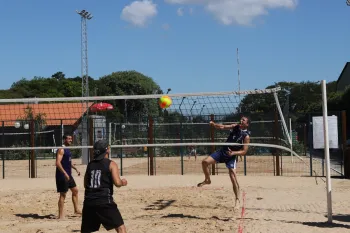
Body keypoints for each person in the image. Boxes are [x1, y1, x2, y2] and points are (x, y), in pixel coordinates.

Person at [197, 116, 251, 210]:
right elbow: (222, 127)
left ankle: (237, 200)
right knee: (205, 162)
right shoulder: (235, 126)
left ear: (247, 124)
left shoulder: (246, 136)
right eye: (241, 119)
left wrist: (234, 153)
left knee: (233, 178)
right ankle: (207, 180)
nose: (241, 120)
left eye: (244, 120)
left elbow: (244, 151)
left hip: (232, 156)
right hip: (222, 151)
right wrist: (214, 124)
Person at [81, 139, 128, 233]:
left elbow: (85, 184)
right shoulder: (111, 164)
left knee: (87, 231)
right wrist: (123, 182)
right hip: (104, 200)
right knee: (120, 228)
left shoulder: (90, 165)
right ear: (107, 150)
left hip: (89, 201)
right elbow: (117, 183)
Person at [55, 133, 81, 219]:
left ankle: (76, 210)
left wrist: (75, 168)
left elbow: (68, 162)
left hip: (69, 175)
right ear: (64, 139)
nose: (70, 140)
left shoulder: (68, 149)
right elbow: (57, 163)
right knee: (63, 194)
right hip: (62, 175)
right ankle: (61, 215)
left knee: (75, 191)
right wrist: (65, 173)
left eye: (71, 139)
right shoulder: (61, 149)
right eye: (69, 139)